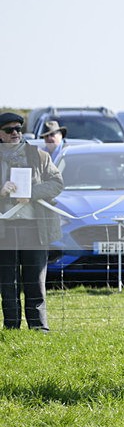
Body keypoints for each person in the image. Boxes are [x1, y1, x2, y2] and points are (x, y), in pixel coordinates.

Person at [0, 112, 63, 332]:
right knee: (8, 283)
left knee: (35, 280)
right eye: (9, 130)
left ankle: (39, 329)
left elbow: (57, 183)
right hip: (4, 229)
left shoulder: (39, 155)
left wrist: (31, 193)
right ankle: (11, 328)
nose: (15, 133)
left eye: (18, 129)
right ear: (0, 134)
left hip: (34, 226)